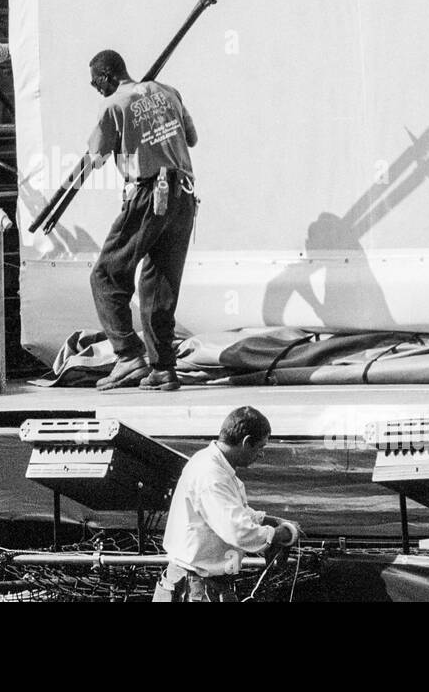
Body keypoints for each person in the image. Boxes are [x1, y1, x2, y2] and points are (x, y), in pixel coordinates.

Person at [85, 49, 198, 392]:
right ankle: (163, 368)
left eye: (95, 83)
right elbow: (191, 138)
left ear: (106, 77)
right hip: (184, 197)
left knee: (106, 275)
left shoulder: (113, 106)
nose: (96, 89)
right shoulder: (168, 92)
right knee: (158, 283)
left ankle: (128, 356)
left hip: (149, 195)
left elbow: (96, 157)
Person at [154, 406, 299, 602]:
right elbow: (238, 531)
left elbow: (231, 511)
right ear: (246, 442)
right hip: (195, 588)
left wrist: (267, 519)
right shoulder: (211, 474)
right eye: (260, 447)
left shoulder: (212, 464)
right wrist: (282, 533)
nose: (261, 454)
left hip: (198, 584)